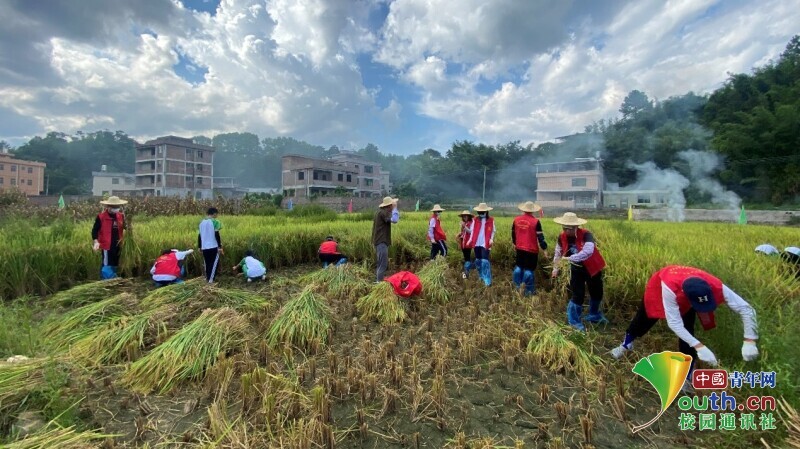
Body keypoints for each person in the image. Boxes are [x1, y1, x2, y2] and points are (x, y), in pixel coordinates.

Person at [610, 265, 759, 390]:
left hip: (687, 294)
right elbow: (674, 323)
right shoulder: (669, 287)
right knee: (644, 318)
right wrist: (700, 346)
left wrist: (750, 340)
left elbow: (747, 309)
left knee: (688, 330)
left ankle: (687, 376)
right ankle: (626, 345)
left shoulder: (714, 285)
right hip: (660, 287)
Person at [551, 212, 607, 330]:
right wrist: (555, 268)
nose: (566, 231)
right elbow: (558, 253)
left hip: (593, 267)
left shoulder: (587, 235)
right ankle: (574, 322)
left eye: (569, 228)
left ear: (576, 227)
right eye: (564, 228)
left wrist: (570, 258)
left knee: (597, 292)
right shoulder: (561, 237)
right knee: (578, 294)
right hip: (576, 269)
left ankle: (594, 315)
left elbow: (588, 251)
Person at [512, 201, 548, 296]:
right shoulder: (536, 222)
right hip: (531, 250)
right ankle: (528, 291)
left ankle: (517, 288)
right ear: (533, 211)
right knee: (529, 270)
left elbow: (513, 234)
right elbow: (540, 237)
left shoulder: (516, 220)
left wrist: (515, 244)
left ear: (523, 209)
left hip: (519, 248)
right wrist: (544, 249)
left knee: (519, 268)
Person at [91, 196, 127, 279]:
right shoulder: (101, 217)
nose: (116, 208)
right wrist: (96, 241)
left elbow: (126, 227)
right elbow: (94, 230)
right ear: (108, 207)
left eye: (117, 207)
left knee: (115, 263)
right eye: (114, 207)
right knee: (107, 263)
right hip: (107, 245)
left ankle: (113, 278)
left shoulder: (121, 216)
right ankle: (107, 281)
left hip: (118, 244)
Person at [372, 196, 400, 282]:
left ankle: (378, 281)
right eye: (392, 205)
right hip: (381, 241)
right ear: (389, 206)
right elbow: (395, 220)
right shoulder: (383, 213)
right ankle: (379, 283)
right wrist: (395, 209)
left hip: (379, 241)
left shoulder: (380, 212)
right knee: (382, 264)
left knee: (381, 263)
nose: (393, 206)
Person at [467, 203, 495, 286]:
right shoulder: (475, 220)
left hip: (485, 242)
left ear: (486, 212)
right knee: (478, 260)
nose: (481, 214)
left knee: (485, 260)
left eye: (482, 212)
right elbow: (472, 231)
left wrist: (491, 239)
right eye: (479, 212)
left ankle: (487, 280)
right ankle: (481, 275)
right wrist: (470, 240)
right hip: (477, 242)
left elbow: (493, 231)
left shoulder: (491, 220)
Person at [198, 207, 223, 283]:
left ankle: (208, 279)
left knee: (207, 263)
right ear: (214, 213)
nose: (217, 216)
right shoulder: (215, 222)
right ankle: (211, 281)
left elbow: (199, 235)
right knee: (214, 263)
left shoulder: (201, 222)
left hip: (204, 247)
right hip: (213, 246)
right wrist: (219, 246)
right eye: (216, 214)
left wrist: (199, 246)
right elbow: (217, 234)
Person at [457, 210, 475, 279]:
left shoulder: (471, 222)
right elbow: (463, 232)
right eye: (463, 216)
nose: (465, 217)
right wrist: (459, 234)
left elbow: (471, 232)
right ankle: (467, 269)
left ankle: (466, 272)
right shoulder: (465, 223)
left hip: (468, 243)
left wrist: (464, 226)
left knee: (467, 257)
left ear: (469, 216)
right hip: (463, 242)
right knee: (465, 256)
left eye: (466, 216)